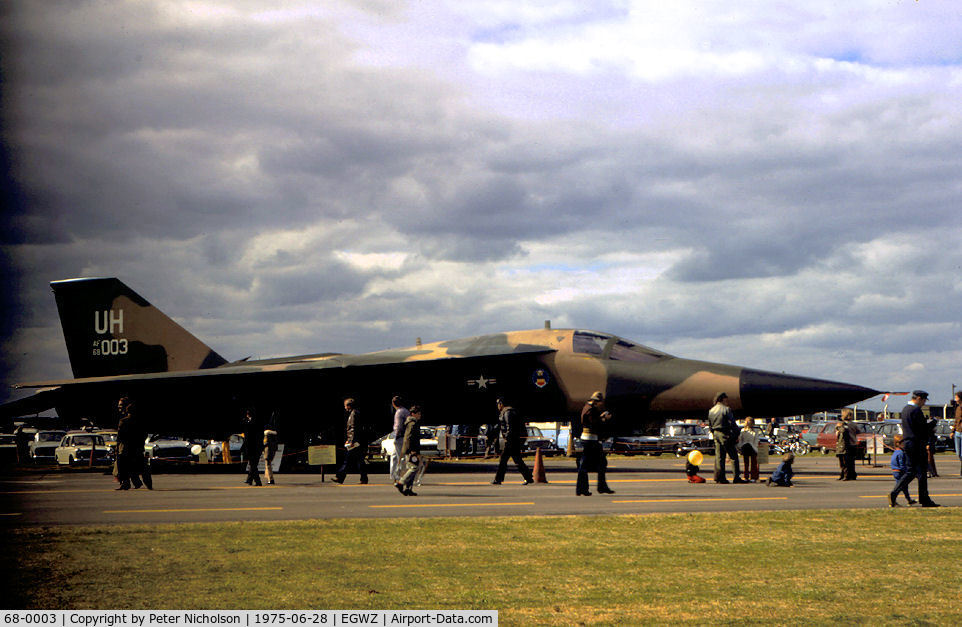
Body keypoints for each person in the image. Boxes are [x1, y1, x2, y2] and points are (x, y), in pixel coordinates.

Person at [889, 390, 939, 508]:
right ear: (919, 398)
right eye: (923, 400)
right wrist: (934, 422)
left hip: (908, 443)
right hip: (917, 444)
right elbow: (923, 428)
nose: (924, 403)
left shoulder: (905, 409)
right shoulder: (916, 410)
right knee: (921, 472)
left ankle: (894, 493)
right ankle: (924, 499)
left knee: (911, 471)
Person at [576, 391, 615, 495]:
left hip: (588, 439)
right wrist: (603, 419)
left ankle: (584, 489)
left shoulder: (587, 408)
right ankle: (592, 488)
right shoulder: (590, 410)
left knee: (588, 464)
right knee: (596, 464)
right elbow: (594, 423)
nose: (600, 404)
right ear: (596, 401)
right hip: (591, 439)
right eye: (599, 402)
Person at [491, 397, 534, 485]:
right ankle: (528, 477)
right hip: (514, 439)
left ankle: (498, 479)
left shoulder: (507, 413)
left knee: (504, 460)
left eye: (498, 404)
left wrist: (507, 438)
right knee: (516, 459)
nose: (498, 406)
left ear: (501, 404)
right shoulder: (510, 411)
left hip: (511, 440)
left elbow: (510, 427)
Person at [708, 392, 744, 483]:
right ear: (723, 399)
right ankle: (736, 477)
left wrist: (714, 433)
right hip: (725, 433)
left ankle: (720, 478)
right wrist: (736, 434)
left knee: (720, 457)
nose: (727, 401)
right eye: (726, 399)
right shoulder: (726, 409)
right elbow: (732, 423)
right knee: (733, 456)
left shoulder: (711, 410)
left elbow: (710, 425)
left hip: (716, 433)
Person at [334, 398, 368, 485]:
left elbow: (353, 428)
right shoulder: (356, 413)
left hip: (354, 442)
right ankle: (363, 478)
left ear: (349, 406)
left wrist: (351, 441)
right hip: (356, 441)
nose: (345, 407)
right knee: (359, 460)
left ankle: (340, 477)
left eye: (345, 406)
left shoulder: (353, 414)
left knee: (348, 460)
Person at [395, 405, 424, 496]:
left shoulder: (412, 422)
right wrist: (412, 450)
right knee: (414, 468)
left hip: (410, 449)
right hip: (411, 450)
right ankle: (401, 483)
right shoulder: (412, 423)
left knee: (412, 468)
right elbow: (409, 438)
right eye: (418, 413)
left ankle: (408, 488)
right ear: (413, 414)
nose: (420, 415)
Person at [890, 435, 916, 505]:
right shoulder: (901, 453)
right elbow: (902, 464)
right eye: (903, 443)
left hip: (895, 471)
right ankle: (893, 500)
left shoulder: (895, 452)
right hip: (900, 472)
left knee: (903, 487)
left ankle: (909, 500)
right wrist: (906, 470)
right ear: (898, 444)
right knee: (900, 487)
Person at [389, 396, 409, 482]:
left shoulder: (399, 412)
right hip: (402, 436)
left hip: (399, 437)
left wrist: (396, 436)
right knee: (394, 456)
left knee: (399, 457)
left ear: (393, 404)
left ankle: (400, 476)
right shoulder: (405, 411)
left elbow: (398, 426)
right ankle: (394, 475)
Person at [242, 407, 264, 486]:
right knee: (253, 464)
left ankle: (258, 481)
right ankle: (249, 479)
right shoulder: (257, 423)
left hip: (252, 447)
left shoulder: (249, 423)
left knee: (253, 464)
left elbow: (247, 436)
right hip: (258, 446)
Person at [835, 408, 858, 481]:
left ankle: (846, 475)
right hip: (853, 444)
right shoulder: (853, 424)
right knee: (851, 461)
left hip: (845, 445)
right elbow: (858, 431)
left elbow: (841, 432)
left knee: (844, 461)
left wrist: (838, 427)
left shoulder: (844, 425)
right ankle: (852, 475)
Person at [737, 417, 760, 482]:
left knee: (753, 463)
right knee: (746, 463)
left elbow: (756, 440)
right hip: (745, 447)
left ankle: (753, 477)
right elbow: (740, 440)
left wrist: (755, 448)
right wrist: (740, 447)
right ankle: (746, 476)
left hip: (752, 447)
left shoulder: (755, 431)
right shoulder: (743, 431)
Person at [263, 409, 280, 485]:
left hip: (267, 451)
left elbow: (265, 443)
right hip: (273, 450)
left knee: (268, 464)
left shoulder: (267, 435)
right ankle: (268, 477)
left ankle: (270, 479)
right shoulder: (274, 436)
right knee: (268, 464)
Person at [926, 413, 939, 478]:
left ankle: (933, 472)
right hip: (928, 443)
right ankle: (931, 472)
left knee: (930, 458)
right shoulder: (929, 427)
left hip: (930, 443)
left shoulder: (930, 426)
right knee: (929, 459)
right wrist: (928, 444)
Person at [952, 391, 962, 476]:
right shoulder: (958, 408)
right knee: (958, 453)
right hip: (958, 432)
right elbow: (956, 420)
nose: (955, 399)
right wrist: (953, 431)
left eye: (956, 397)